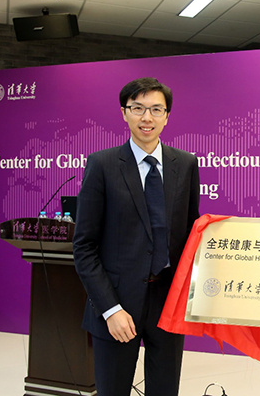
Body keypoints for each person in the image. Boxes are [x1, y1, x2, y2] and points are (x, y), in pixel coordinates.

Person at [73, 77, 200, 396]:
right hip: (118, 304)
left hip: (168, 303)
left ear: (167, 116)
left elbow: (190, 234)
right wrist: (110, 309)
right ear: (124, 112)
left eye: (156, 109)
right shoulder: (102, 165)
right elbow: (84, 246)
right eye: (138, 108)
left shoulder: (185, 164)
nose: (147, 117)